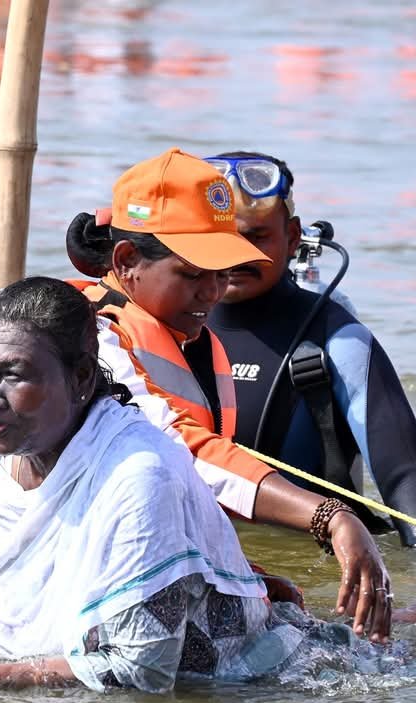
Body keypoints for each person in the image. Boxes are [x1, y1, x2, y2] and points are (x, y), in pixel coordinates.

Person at [0, 278, 416, 694]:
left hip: (265, 681)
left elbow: (141, 667)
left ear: (81, 378)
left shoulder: (138, 474)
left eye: (14, 374)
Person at [62, 148, 394, 641]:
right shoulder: (90, 338)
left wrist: (244, 575)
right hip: (40, 581)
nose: (213, 293)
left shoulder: (194, 339)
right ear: (128, 261)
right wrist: (331, 515)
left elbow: (188, 501)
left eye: (223, 270)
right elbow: (185, 452)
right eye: (194, 273)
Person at [200, 151, 416, 548]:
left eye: (255, 236)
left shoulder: (339, 341)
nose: (235, 254)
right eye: (221, 237)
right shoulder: (150, 329)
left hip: (304, 561)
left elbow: (407, 482)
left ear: (291, 238)